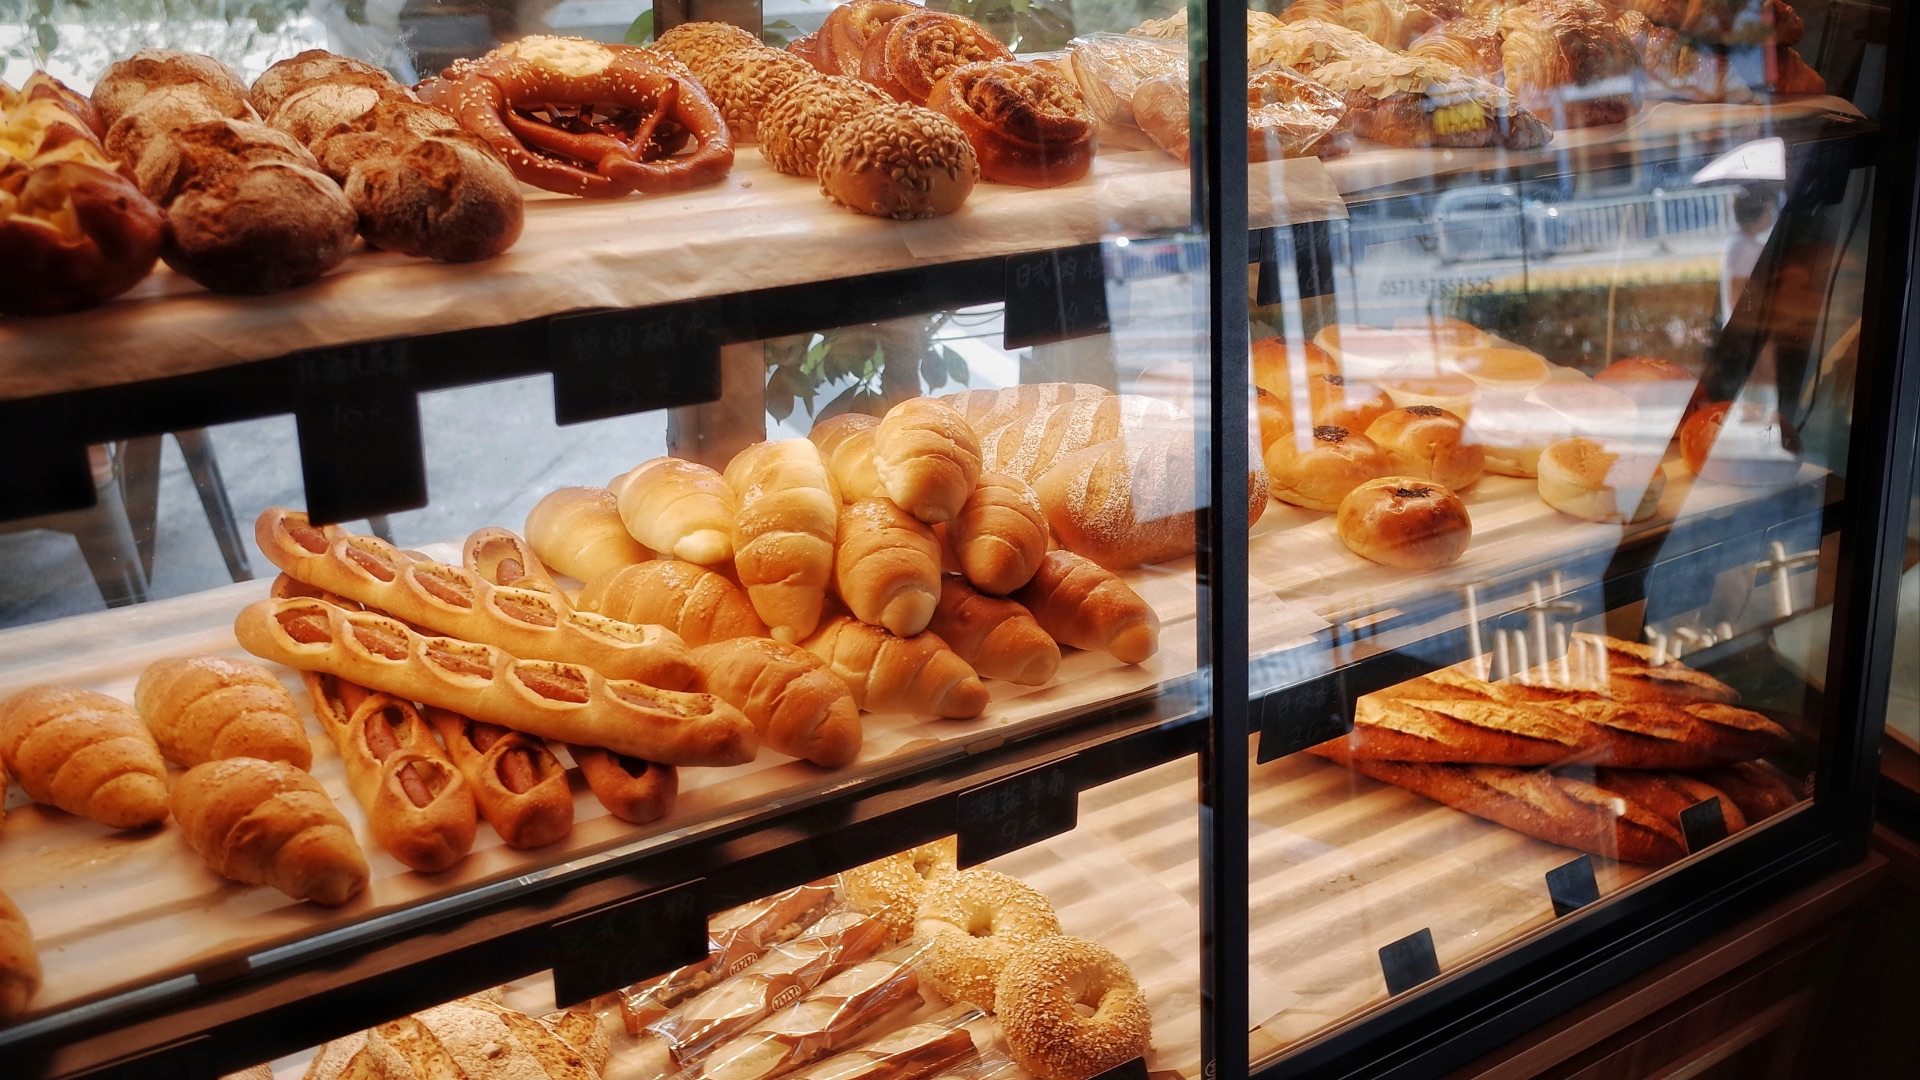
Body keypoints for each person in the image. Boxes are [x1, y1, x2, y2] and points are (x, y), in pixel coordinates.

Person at [1720, 187, 1777, 325]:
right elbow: (1737, 293)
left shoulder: (1739, 243)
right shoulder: (1745, 248)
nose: (1770, 217)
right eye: (1769, 211)